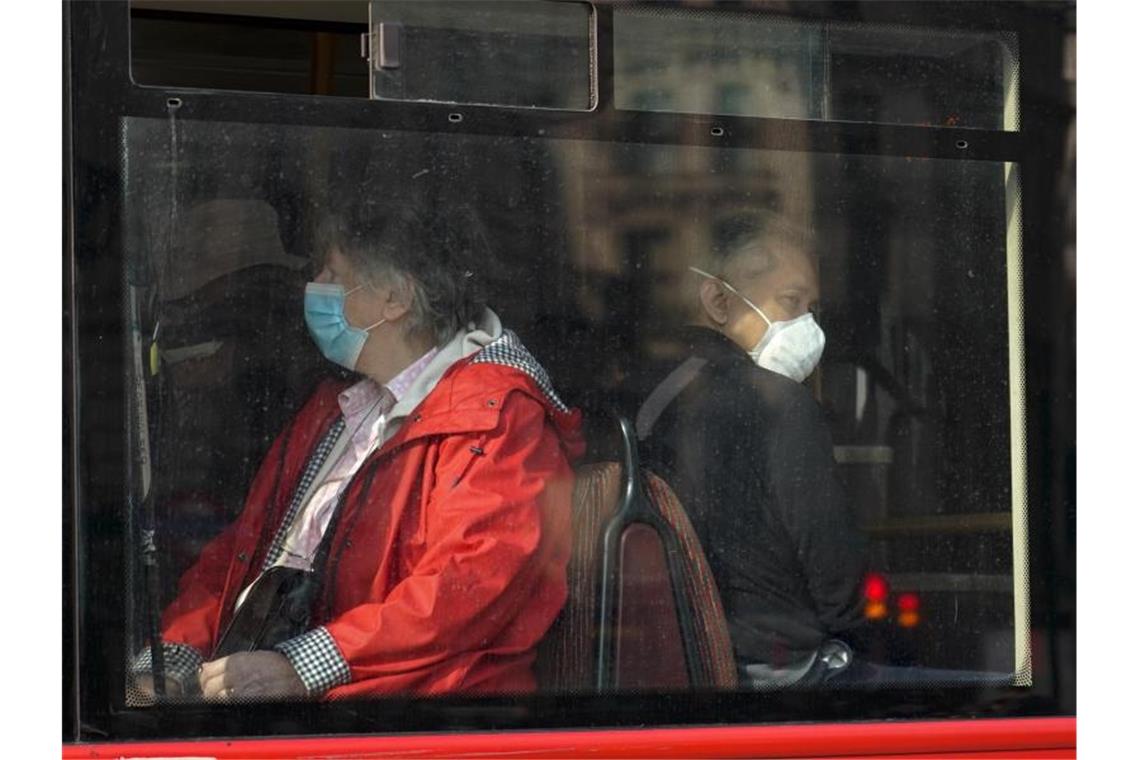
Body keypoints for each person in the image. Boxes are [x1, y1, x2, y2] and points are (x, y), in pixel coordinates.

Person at [133, 203, 584, 701]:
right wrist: (171, 658)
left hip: (416, 717)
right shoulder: (337, 407)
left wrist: (301, 667)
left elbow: (466, 586)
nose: (313, 287)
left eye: (332, 274)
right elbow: (243, 552)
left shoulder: (496, 415)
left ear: (394, 298)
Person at [617, 212, 868, 689]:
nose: (807, 326)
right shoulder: (777, 404)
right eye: (791, 302)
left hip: (679, 666)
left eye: (811, 307)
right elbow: (836, 576)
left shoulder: (645, 397)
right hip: (783, 671)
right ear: (717, 299)